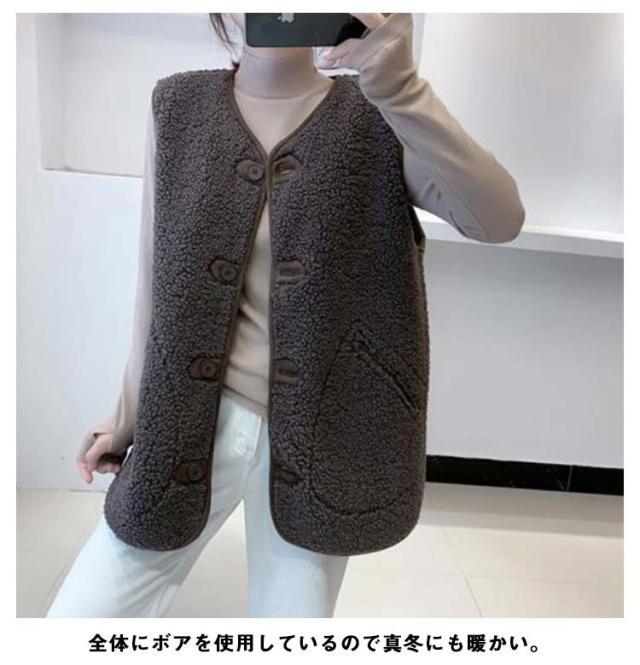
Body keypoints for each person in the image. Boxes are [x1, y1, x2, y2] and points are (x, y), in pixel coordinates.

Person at [46, 13, 525, 618]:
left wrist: (399, 85)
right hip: (190, 417)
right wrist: (127, 415)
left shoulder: (378, 111)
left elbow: (499, 219)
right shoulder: (178, 105)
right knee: (77, 621)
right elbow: (156, 275)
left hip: (326, 433)